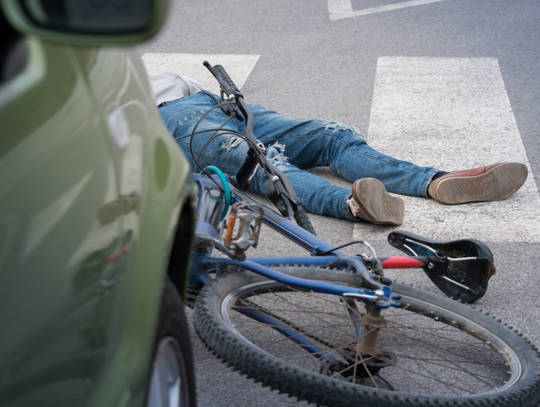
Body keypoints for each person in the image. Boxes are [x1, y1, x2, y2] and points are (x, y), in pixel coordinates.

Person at [150, 72, 528, 226]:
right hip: (169, 119)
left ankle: (435, 181)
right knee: (262, 162)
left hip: (217, 102)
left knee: (331, 134)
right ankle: (354, 205)